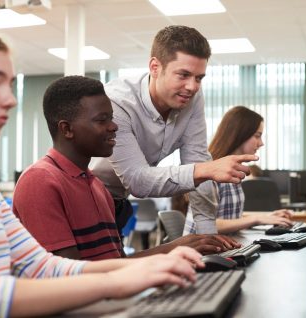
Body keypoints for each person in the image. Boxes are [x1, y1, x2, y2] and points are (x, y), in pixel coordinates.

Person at [0, 22, 204, 317]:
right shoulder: (40, 180)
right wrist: (116, 281)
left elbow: (42, 266)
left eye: (9, 85)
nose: (10, 99)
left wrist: (149, 265)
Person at [13, 75, 240, 261]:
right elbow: (68, 277)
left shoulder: (96, 186)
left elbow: (116, 262)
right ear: (67, 129)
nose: (114, 126)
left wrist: (179, 247)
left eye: (111, 118)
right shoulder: (40, 181)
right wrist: (169, 252)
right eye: (102, 120)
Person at [90, 25, 258, 235]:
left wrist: (209, 237)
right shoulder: (116, 102)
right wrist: (205, 169)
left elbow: (196, 157)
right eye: (183, 75)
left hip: (118, 202)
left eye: (199, 77)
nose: (192, 86)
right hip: (85, 201)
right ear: (154, 67)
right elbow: (137, 181)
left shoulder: (191, 95)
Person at [184, 106, 293, 234]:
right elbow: (204, 225)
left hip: (224, 247)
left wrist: (267, 217)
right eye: (257, 136)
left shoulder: (234, 171)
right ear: (240, 135)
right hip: (199, 252)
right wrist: (256, 219)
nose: (261, 143)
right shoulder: (210, 171)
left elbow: (230, 219)